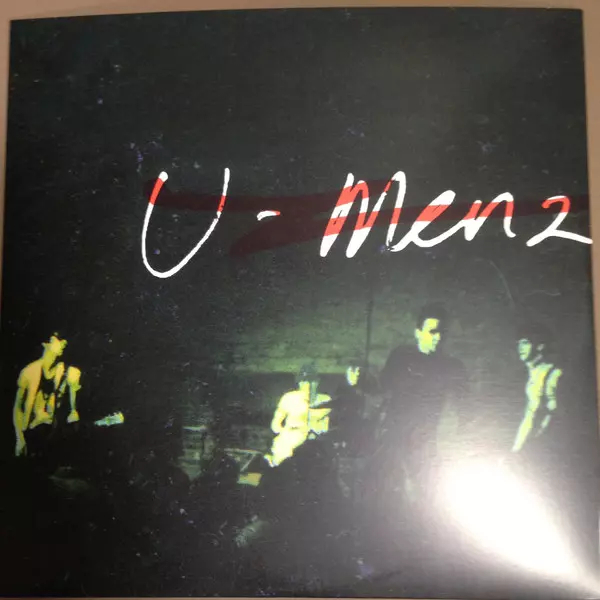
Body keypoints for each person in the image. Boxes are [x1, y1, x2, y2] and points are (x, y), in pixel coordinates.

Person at [376, 303, 468, 504]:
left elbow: (463, 408)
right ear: (418, 333)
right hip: (395, 439)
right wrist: (358, 383)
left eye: (442, 332)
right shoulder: (401, 357)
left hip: (427, 443)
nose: (438, 337)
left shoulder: (452, 367)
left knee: (425, 497)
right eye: (432, 331)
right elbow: (382, 387)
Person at [13, 332, 82, 456]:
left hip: (54, 437)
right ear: (46, 343)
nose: (64, 343)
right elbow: (18, 407)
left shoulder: (67, 372)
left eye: (65, 339)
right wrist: (20, 438)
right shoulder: (29, 372)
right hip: (32, 435)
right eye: (58, 338)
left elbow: (73, 412)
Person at [265, 364, 332, 467]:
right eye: (304, 381)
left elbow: (326, 426)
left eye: (312, 381)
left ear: (317, 382)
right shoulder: (289, 397)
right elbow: (276, 424)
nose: (308, 385)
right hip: (291, 438)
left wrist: (313, 430)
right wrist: (284, 432)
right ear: (299, 383)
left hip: (313, 441)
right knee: (281, 458)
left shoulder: (326, 400)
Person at [511, 324, 562, 454]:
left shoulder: (553, 374)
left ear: (540, 346)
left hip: (541, 449)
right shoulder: (526, 376)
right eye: (518, 343)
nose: (520, 347)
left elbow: (551, 415)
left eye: (525, 342)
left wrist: (531, 446)